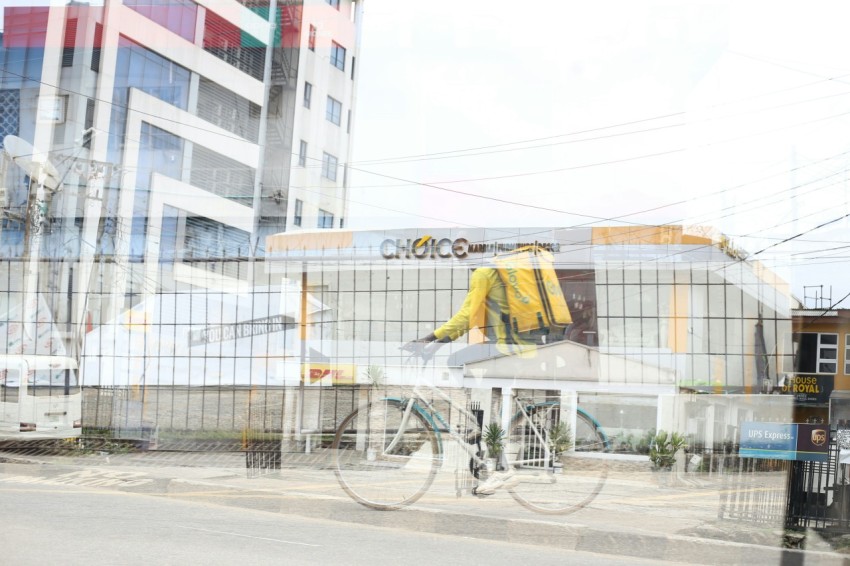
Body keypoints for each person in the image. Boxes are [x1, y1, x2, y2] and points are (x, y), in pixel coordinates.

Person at [406, 266, 539, 367]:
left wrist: (427, 339)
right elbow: (470, 321)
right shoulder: (494, 276)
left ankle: (475, 396)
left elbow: (467, 315)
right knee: (486, 377)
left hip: (510, 345)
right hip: (519, 344)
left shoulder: (482, 273)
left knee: (455, 361)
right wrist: (435, 347)